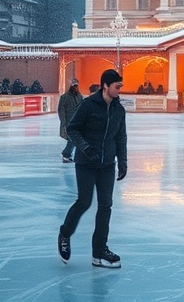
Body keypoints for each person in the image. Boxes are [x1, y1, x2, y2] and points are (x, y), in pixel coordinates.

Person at [57, 68, 128, 269]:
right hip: (87, 163)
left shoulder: (118, 110)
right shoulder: (88, 105)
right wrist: (86, 148)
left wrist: (122, 162)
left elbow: (120, 137)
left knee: (105, 206)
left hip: (107, 165)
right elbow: (73, 128)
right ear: (105, 86)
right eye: (117, 86)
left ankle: (99, 252)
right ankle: (65, 233)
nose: (120, 90)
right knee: (84, 201)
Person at [57, 79, 84, 163]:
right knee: (72, 139)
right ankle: (66, 154)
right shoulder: (64, 97)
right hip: (69, 122)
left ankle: (67, 155)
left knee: (74, 140)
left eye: (76, 86)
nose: (75, 88)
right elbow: (61, 110)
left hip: (77, 122)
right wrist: (63, 122)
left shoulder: (79, 97)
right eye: (74, 86)